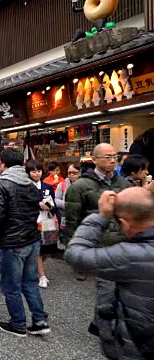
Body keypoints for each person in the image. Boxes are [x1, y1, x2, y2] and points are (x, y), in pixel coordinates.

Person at [65, 188, 154, 360]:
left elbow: (74, 254)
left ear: (125, 224)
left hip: (140, 343)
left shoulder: (129, 255)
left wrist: (101, 217)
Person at [63, 143, 131, 358]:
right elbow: (72, 220)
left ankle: (98, 324)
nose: (112, 160)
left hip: (123, 245)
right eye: (107, 156)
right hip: (100, 247)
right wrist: (75, 250)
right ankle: (106, 335)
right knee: (106, 294)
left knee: (122, 292)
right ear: (94, 159)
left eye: (115, 156)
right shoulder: (80, 186)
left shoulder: (124, 183)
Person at [0, 149, 50, 337]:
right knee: (30, 282)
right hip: (31, 239)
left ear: (3, 164)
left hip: (12, 241)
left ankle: (18, 324)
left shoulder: (2, 183)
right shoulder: (29, 183)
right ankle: (40, 321)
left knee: (11, 285)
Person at [25, 160, 57, 289]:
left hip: (47, 220)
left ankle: (36, 268)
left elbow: (54, 205)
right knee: (37, 248)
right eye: (33, 171)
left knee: (47, 247)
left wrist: (49, 207)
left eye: (39, 171)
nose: (37, 174)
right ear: (28, 173)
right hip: (31, 221)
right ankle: (41, 275)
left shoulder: (47, 187)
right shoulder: (26, 187)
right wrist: (37, 204)